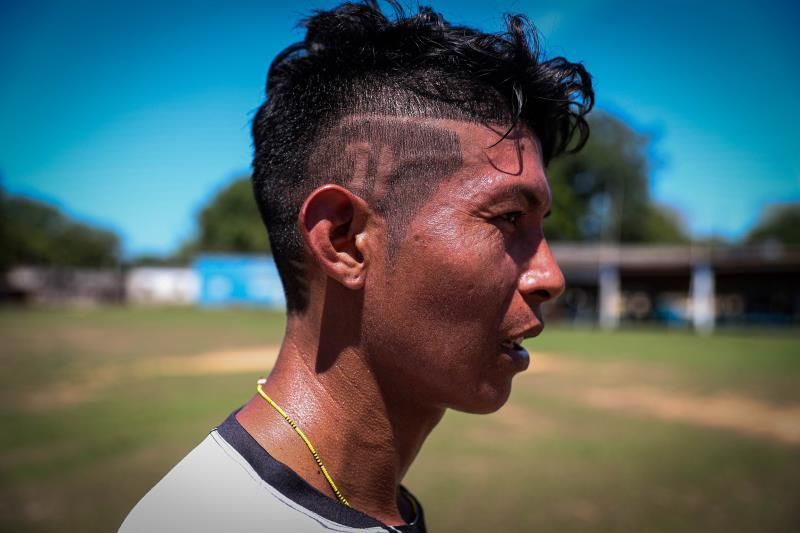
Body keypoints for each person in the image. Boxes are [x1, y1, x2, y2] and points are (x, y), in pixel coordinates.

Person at [120, 1, 592, 531]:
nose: (550, 277)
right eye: (508, 217)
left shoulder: (370, 507)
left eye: (541, 226)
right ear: (344, 240)